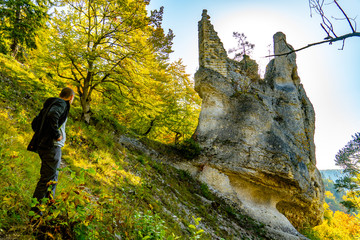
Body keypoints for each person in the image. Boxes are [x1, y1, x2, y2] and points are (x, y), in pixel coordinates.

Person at [30, 87, 75, 215]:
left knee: (53, 178)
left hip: (46, 145)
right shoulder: (61, 104)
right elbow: (52, 116)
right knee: (46, 180)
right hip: (51, 147)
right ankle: (35, 213)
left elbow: (35, 123)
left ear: (60, 94)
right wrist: (56, 135)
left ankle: (50, 208)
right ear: (71, 97)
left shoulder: (51, 103)